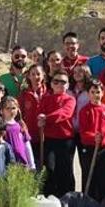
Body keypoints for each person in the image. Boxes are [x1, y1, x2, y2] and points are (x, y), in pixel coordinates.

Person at [79, 81, 105, 202]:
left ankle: (103, 202)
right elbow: (83, 133)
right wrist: (93, 137)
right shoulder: (85, 111)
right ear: (88, 94)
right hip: (90, 149)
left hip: (104, 150)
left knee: (104, 178)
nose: (96, 95)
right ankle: (88, 202)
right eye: (92, 92)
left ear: (102, 93)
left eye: (98, 92)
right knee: (89, 178)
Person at [38, 69, 76, 197]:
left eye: (63, 82)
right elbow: (39, 114)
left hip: (66, 140)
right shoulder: (45, 99)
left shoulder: (70, 99)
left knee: (65, 171)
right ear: (51, 83)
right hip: (49, 139)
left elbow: (65, 113)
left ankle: (66, 199)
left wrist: (46, 118)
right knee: (49, 169)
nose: (59, 84)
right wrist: (41, 119)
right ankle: (50, 198)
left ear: (68, 85)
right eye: (56, 81)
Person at [19, 64, 47, 168]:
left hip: (46, 136)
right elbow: (19, 114)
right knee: (33, 166)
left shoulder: (49, 92)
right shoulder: (24, 94)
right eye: (33, 74)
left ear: (43, 75)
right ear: (29, 77)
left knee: (46, 167)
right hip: (30, 135)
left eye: (38, 74)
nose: (36, 77)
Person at [0, 96, 35, 167]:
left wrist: (32, 164)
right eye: (7, 108)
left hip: (22, 163)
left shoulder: (21, 124)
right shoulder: (0, 126)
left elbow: (27, 145)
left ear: (18, 109)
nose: (11, 111)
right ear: (2, 110)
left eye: (13, 108)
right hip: (7, 163)